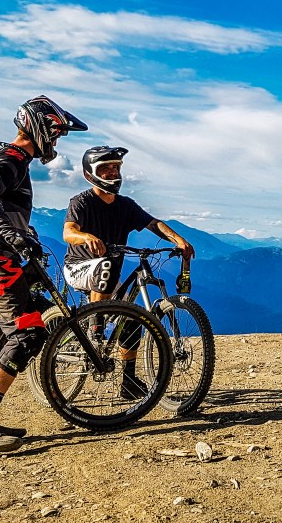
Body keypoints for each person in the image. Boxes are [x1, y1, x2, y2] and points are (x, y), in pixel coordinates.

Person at [0, 95, 87, 451]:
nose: (57, 141)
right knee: (28, 332)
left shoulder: (14, 160)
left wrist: (25, 235)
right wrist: (12, 235)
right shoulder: (12, 157)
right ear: (40, 127)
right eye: (56, 133)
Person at [63, 146, 195, 398]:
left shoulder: (125, 205)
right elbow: (68, 231)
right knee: (107, 265)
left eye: (115, 167)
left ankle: (128, 382)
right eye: (105, 168)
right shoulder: (81, 202)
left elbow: (153, 223)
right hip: (78, 268)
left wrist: (178, 240)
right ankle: (96, 331)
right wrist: (86, 237)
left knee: (133, 317)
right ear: (91, 174)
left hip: (106, 275)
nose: (112, 173)